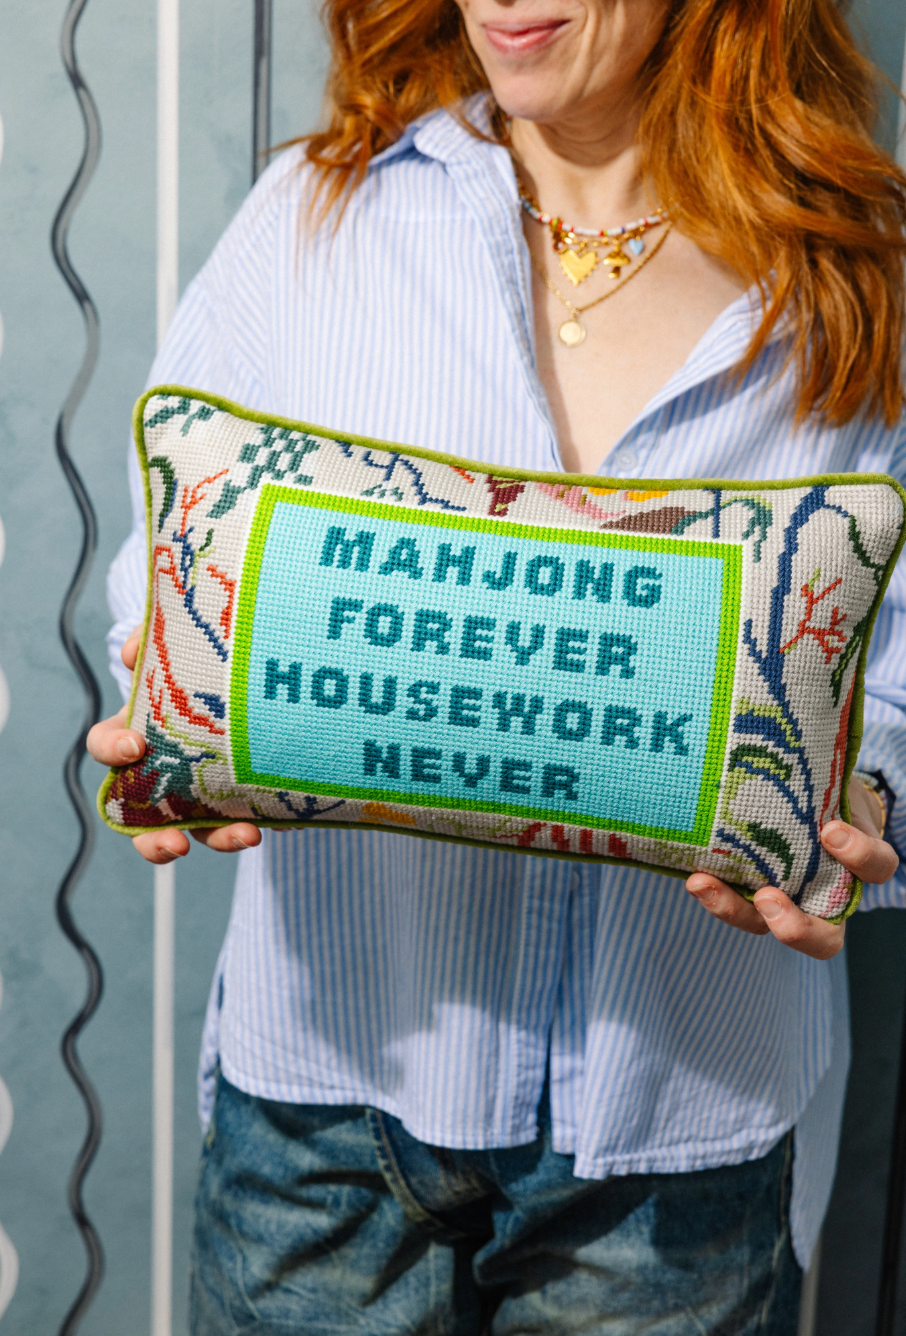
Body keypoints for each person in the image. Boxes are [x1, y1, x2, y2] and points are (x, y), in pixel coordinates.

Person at [88, 0, 906, 1330]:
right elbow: (170, 557)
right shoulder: (322, 212)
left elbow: (896, 672)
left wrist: (863, 812)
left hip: (676, 1125)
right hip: (322, 1101)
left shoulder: (856, 269)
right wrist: (168, 698)